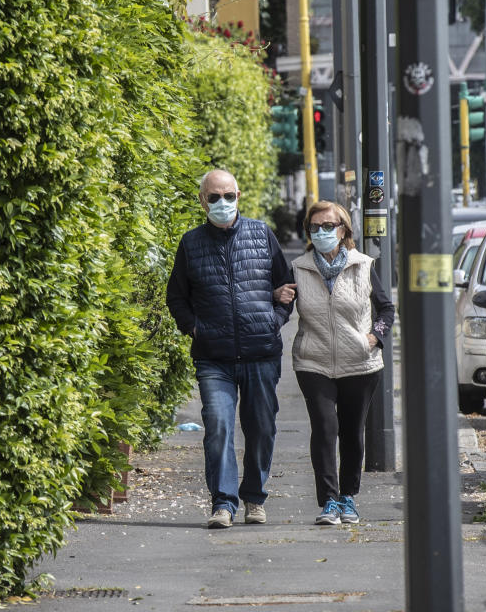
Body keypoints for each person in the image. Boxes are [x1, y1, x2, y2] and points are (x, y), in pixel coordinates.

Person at [166, 169, 294, 529]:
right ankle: (223, 503)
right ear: (202, 201)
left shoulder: (261, 234)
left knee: (262, 429)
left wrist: (275, 319)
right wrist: (194, 327)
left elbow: (285, 285)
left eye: (229, 196)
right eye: (214, 197)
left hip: (260, 352)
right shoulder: (191, 243)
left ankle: (254, 497)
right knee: (219, 425)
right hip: (213, 357)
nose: (222, 203)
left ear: (239, 195)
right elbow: (176, 296)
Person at [274, 201, 394, 525]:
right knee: (326, 428)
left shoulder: (364, 265)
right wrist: (275, 302)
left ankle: (348, 498)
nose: (322, 232)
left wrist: (374, 338)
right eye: (315, 227)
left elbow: (386, 310)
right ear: (309, 232)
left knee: (353, 432)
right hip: (313, 362)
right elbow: (284, 306)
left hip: (361, 364)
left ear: (343, 230)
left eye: (329, 226)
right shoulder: (298, 267)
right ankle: (328, 501)